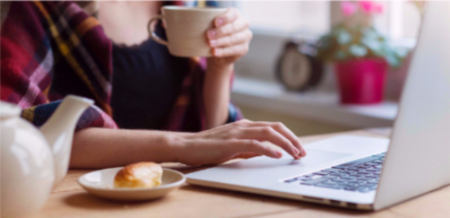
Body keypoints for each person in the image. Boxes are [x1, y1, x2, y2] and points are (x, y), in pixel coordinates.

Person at [0, 1, 306, 168]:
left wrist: (220, 66)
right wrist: (182, 146)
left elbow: (209, 131)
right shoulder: (35, 8)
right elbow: (16, 133)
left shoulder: (193, 5)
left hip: (176, 194)